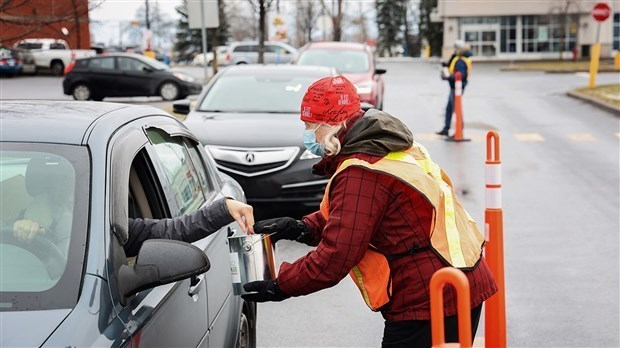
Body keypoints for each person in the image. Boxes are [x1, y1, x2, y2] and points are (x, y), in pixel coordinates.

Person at [242, 76, 497, 348]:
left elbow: (336, 255)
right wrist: (301, 228)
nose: (307, 135)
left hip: (430, 296)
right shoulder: (384, 144)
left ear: (331, 126)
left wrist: (281, 285)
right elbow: (357, 216)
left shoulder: (361, 172)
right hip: (458, 279)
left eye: (309, 126)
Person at [13, 159, 255, 258]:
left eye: (77, 188)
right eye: (61, 191)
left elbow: (174, 230)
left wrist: (223, 209)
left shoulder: (110, 226)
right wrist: (23, 232)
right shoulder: (25, 224)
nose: (69, 198)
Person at [436, 41, 473, 137]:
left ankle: (459, 131)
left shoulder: (461, 61)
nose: (455, 50)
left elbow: (460, 75)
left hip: (457, 89)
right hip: (454, 87)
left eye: (456, 48)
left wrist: (448, 77)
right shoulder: (460, 59)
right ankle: (446, 129)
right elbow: (453, 68)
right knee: (449, 108)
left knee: (457, 109)